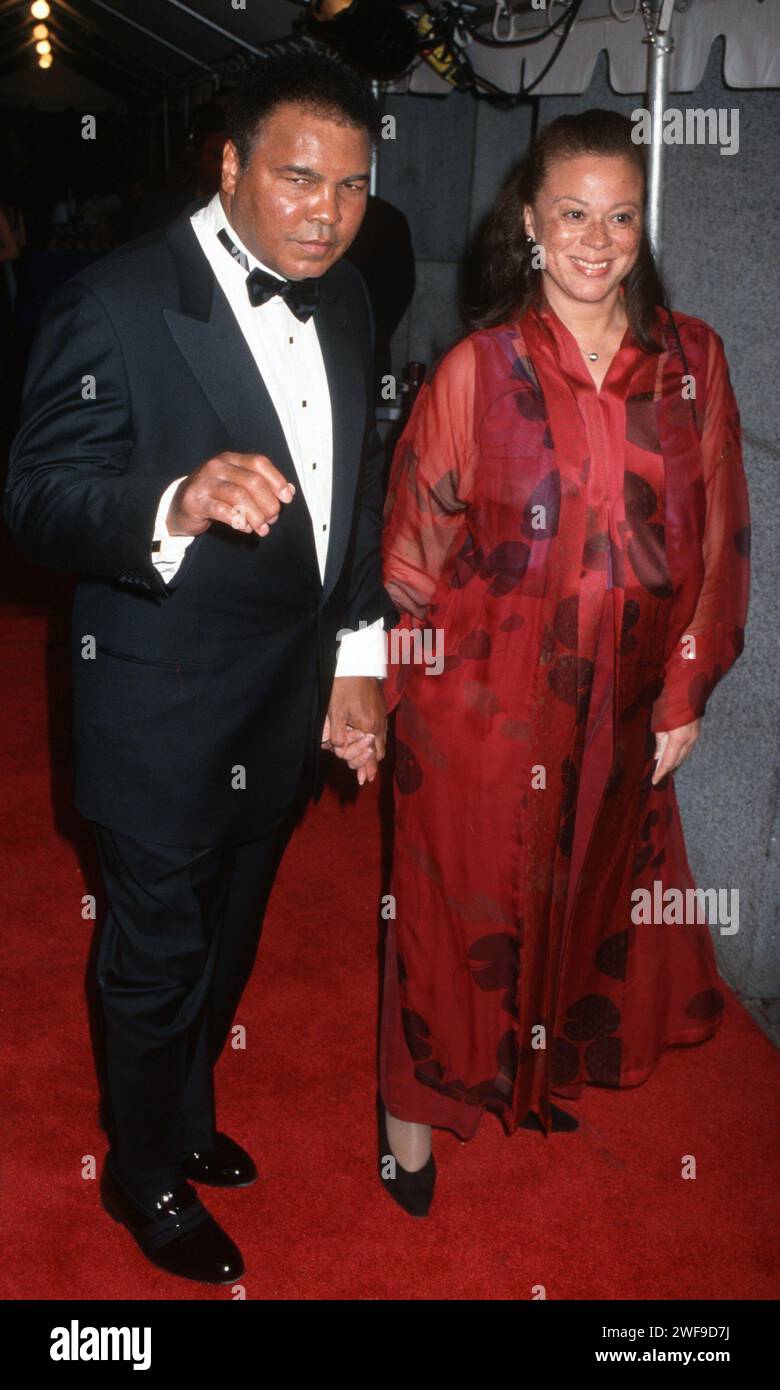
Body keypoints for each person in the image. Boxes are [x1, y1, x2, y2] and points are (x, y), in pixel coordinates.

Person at [3, 51, 394, 1284]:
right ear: (228, 166)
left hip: (279, 705)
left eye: (351, 186)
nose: (326, 211)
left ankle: (183, 1111)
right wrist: (171, 498)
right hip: (158, 708)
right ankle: (142, 1170)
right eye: (296, 177)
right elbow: (35, 502)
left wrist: (358, 658)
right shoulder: (118, 300)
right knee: (157, 952)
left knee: (231, 940)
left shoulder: (353, 299)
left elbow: (356, 506)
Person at [375, 110, 750, 1217]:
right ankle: (411, 1113)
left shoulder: (695, 363)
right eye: (573, 214)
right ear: (529, 222)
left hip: (619, 711)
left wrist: (688, 685)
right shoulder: (475, 371)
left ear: (644, 223)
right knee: (454, 913)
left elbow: (720, 536)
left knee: (577, 902)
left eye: (620, 215)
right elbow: (408, 556)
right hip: (478, 713)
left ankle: (529, 1075)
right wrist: (376, 700)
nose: (597, 239)